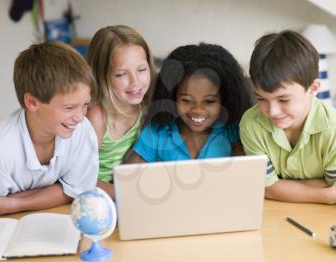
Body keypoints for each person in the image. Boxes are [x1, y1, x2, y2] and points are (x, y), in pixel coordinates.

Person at [0, 42, 98, 217]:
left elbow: (76, 191)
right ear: (32, 102)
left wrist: (12, 202)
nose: (80, 116)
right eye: (69, 108)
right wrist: (55, 190)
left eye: (85, 105)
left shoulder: (81, 130)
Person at [239, 30, 336, 204]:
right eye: (261, 98)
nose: (273, 111)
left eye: (284, 99)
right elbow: (266, 188)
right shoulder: (251, 123)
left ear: (313, 89)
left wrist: (280, 186)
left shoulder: (333, 128)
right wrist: (325, 196)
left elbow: (271, 187)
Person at [125, 43, 253, 163]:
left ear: (224, 99)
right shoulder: (157, 133)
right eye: (186, 100)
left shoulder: (232, 131)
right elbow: (129, 178)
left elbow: (245, 172)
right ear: (172, 97)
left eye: (209, 101)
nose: (198, 110)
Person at [86, 25, 156, 199]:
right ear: (101, 75)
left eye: (141, 70)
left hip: (126, 190)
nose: (135, 82)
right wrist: (126, 194)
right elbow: (78, 178)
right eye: (121, 74)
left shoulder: (146, 105)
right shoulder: (97, 117)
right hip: (97, 195)